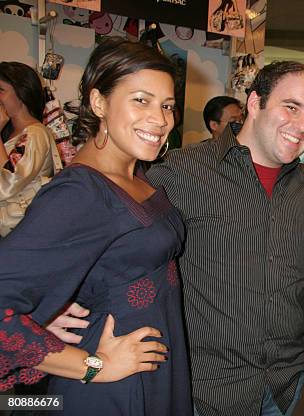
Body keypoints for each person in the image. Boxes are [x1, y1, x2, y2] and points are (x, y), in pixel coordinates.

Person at [0, 37, 192, 415]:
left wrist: (48, 310)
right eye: (141, 100)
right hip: (113, 390)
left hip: (154, 374)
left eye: (167, 105)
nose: (161, 118)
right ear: (99, 101)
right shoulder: (80, 192)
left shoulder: (137, 176)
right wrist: (94, 367)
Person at [146, 61, 304, 415]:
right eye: (291, 107)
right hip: (207, 388)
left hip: (284, 385)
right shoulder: (183, 172)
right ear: (255, 103)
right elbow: (114, 239)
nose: (303, 126)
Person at [0, 61, 62, 237]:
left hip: (17, 232)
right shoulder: (13, 134)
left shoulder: (34, 134)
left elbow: (5, 185)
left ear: (21, 93)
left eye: (1, 91)